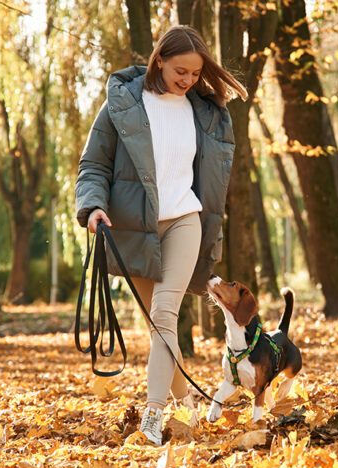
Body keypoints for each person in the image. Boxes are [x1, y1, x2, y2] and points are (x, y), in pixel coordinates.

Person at [75, 25, 246, 446]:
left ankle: (153, 415)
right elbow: (93, 165)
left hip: (186, 219)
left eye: (195, 73)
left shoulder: (205, 110)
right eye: (180, 71)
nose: (188, 80)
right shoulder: (123, 104)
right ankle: (186, 404)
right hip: (136, 229)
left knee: (166, 314)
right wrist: (93, 206)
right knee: (158, 326)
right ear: (159, 61)